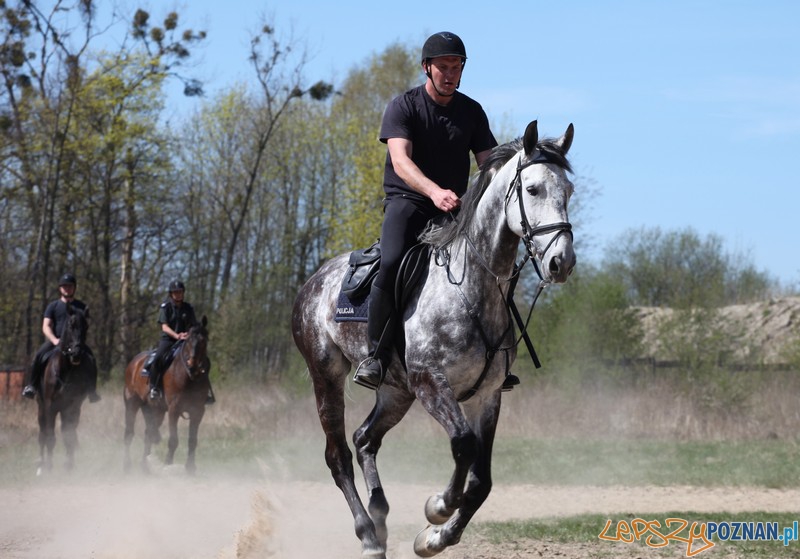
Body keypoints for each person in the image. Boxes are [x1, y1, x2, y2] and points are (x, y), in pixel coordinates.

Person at [353, 31, 516, 390]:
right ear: (426, 67)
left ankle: (497, 355)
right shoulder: (403, 106)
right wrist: (433, 191)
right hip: (408, 202)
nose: (451, 74)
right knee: (391, 261)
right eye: (444, 67)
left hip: (454, 208)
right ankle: (375, 356)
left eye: (457, 67)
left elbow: (489, 165)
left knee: (496, 265)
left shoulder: (472, 112)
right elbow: (400, 161)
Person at [22, 273, 101, 402]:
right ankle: (32, 386)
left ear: (74, 288)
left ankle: (92, 391)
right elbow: (46, 326)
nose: (67, 289)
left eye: (70, 286)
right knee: (38, 356)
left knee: (91, 359)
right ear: (60, 288)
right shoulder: (53, 306)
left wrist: (79, 340)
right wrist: (54, 339)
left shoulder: (81, 307)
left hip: (76, 343)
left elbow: (85, 325)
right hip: (56, 341)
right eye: (64, 286)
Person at [142, 280, 198, 400]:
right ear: (171, 294)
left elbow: (194, 326)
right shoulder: (166, 307)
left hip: (186, 340)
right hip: (169, 340)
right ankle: (154, 387)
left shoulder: (188, 308)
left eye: (180, 292)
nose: (178, 294)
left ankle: (205, 392)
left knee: (201, 359)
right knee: (158, 358)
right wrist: (177, 335)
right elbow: (164, 327)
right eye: (175, 292)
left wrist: (187, 334)